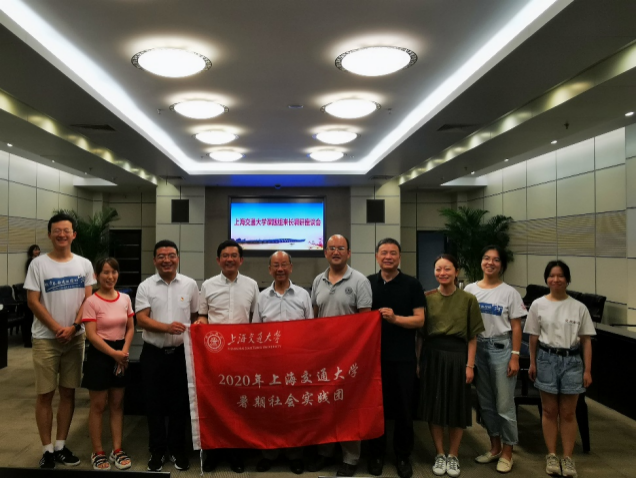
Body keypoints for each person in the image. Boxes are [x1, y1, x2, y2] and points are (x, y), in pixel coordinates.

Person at [24, 213, 95, 469]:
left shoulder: (84, 264)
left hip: (75, 339)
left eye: (66, 231)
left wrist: (74, 327)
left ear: (73, 234)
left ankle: (61, 446)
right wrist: (57, 329)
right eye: (57, 231)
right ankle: (47, 450)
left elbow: (88, 300)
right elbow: (33, 301)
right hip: (46, 339)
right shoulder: (38, 265)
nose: (62, 235)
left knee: (68, 392)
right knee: (45, 394)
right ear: (50, 234)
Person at [308, 234, 373, 477]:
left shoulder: (360, 281)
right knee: (324, 404)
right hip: (324, 355)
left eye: (341, 248)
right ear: (325, 252)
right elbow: (315, 316)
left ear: (349, 252)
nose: (336, 252)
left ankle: (350, 457)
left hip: (349, 355)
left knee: (349, 406)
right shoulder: (318, 280)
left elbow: (366, 321)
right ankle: (325, 453)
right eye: (332, 248)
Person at [524, 260, 595, 478]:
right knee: (548, 411)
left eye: (560, 275)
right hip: (546, 359)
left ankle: (568, 458)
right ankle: (552, 455)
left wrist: (587, 370)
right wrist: (533, 362)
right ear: (546, 279)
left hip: (572, 361)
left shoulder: (579, 307)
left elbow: (586, 341)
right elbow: (533, 337)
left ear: (567, 279)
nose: (556, 279)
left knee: (568, 412)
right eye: (552, 276)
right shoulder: (538, 305)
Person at [417, 254, 484, 478]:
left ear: (456, 271)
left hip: (458, 356)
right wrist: (418, 362)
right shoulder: (427, 298)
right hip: (432, 354)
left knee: (457, 406)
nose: (442, 273)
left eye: (447, 269)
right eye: (438, 269)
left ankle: (453, 455)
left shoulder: (468, 299)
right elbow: (420, 336)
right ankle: (440, 453)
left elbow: (473, 337)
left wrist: (470, 365)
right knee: (434, 406)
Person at [135, 240, 199, 472]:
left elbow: (195, 315)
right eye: (161, 256)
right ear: (154, 260)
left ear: (177, 258)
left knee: (179, 404)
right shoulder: (146, 286)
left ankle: (177, 449)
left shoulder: (190, 285)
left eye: (171, 255)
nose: (166, 260)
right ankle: (157, 450)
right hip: (154, 354)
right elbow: (142, 319)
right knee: (154, 404)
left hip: (182, 355)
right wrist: (167, 328)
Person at [199, 239, 259, 474]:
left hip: (242, 356)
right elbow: (203, 316)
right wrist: (201, 326)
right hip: (214, 356)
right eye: (225, 256)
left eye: (234, 256)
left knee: (238, 405)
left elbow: (256, 319)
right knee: (214, 404)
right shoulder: (208, 285)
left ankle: (236, 454)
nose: (229, 259)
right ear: (218, 260)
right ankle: (213, 453)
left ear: (241, 260)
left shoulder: (252, 285)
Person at [366, 238, 425, 478]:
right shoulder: (367, 283)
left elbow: (420, 320)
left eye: (393, 253)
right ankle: (376, 454)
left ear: (399, 257)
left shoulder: (412, 284)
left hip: (403, 358)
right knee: (375, 408)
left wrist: (395, 319)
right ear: (377, 256)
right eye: (384, 252)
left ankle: (403, 456)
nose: (388, 257)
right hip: (373, 358)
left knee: (404, 410)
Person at [464, 245, 526, 474]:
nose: (490, 263)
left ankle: (508, 452)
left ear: (502, 265)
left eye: (496, 260)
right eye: (486, 258)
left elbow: (516, 327)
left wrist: (515, 357)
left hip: (501, 348)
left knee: (504, 405)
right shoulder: (470, 289)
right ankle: (495, 447)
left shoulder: (510, 293)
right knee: (486, 403)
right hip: (477, 348)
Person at [253, 250, 313, 474]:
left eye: (284, 265)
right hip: (270, 365)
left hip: (296, 364)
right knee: (270, 410)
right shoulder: (262, 297)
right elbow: (256, 331)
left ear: (291, 267)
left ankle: (295, 455)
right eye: (276, 265)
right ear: (269, 269)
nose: (280, 269)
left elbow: (311, 329)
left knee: (294, 410)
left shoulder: (303, 295)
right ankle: (269, 453)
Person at [81, 257, 135, 470]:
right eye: (105, 272)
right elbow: (91, 335)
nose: (110, 276)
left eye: (113, 272)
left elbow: (130, 327)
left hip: (120, 353)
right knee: (98, 405)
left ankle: (117, 449)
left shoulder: (125, 298)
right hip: (100, 355)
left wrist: (124, 352)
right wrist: (114, 354)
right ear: (97, 276)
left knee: (117, 404)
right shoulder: (91, 302)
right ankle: (98, 452)